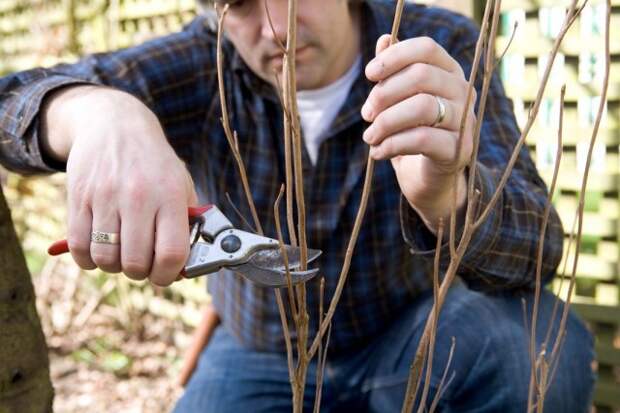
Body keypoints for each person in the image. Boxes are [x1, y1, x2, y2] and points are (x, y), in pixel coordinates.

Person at [0, 0, 594, 411]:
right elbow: (12, 104)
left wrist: (451, 196)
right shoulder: (204, 61)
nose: (276, 28)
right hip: (259, 354)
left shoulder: (433, 46)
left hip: (414, 336)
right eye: (242, 3)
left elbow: (539, 250)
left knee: (539, 344)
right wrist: (97, 113)